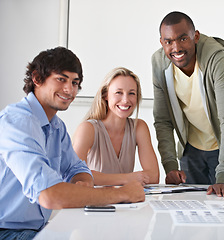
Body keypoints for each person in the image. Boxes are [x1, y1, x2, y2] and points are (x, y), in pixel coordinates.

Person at [0, 47, 145, 240]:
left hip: (37, 228)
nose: (70, 90)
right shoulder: (18, 121)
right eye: (61, 79)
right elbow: (49, 195)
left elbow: (76, 167)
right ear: (36, 78)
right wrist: (121, 193)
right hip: (8, 232)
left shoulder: (56, 126)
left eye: (75, 82)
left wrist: (82, 181)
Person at [152, 11, 224, 197]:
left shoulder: (217, 59)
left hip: (223, 147)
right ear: (162, 42)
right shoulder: (158, 63)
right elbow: (163, 120)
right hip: (191, 148)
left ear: (195, 36)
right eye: (168, 41)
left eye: (183, 39)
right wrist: (170, 166)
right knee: (191, 211)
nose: (176, 47)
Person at [72, 67, 159, 186]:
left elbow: (153, 176)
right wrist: (128, 179)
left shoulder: (139, 127)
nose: (125, 100)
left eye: (131, 93)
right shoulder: (88, 129)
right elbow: (77, 176)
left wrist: (99, 178)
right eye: (119, 92)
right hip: (95, 202)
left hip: (126, 202)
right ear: (105, 95)